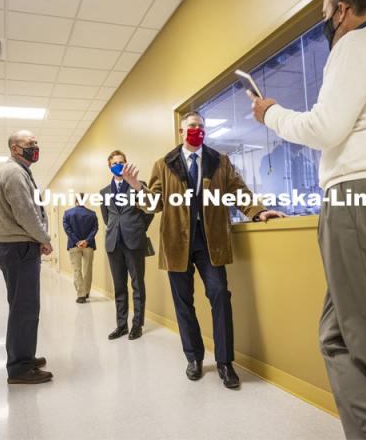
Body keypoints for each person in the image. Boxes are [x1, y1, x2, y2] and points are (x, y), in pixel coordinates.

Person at [248, 0, 366, 439]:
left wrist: (271, 114)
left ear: (342, 11)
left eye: (326, 12)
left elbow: (325, 129)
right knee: (338, 337)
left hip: (360, 203)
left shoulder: (355, 45)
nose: (327, 22)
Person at [122, 112, 285, 388]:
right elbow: (154, 204)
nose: (196, 130)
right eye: (191, 127)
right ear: (181, 131)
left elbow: (238, 191)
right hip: (176, 244)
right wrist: (137, 186)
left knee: (220, 295)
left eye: (200, 126)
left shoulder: (220, 161)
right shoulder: (163, 164)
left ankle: (225, 362)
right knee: (183, 303)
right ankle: (194, 357)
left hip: (211, 242)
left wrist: (258, 212)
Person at [0, 130, 53, 384]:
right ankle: (19, 368)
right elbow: (26, 213)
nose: (35, 147)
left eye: (36, 143)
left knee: (23, 306)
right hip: (19, 249)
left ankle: (24, 356)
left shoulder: (20, 172)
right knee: (25, 308)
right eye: (30, 144)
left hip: (20, 247)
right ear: (15, 149)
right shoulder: (14, 173)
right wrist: (45, 239)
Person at [100, 150, 154, 341]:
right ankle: (121, 325)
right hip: (113, 243)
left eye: (121, 162)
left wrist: (138, 228)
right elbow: (107, 217)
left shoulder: (139, 186)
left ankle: (137, 325)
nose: (118, 165)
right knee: (119, 286)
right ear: (109, 166)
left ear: (126, 164)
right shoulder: (104, 192)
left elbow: (150, 211)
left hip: (134, 240)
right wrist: (117, 229)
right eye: (115, 162)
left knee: (137, 284)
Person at [62, 196, 98, 303]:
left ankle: (81, 295)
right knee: (88, 269)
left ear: (75, 201)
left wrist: (77, 241)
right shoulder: (92, 214)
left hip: (74, 245)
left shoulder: (67, 213)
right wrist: (86, 241)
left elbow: (67, 229)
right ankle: (86, 292)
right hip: (89, 245)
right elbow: (95, 229)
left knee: (76, 270)